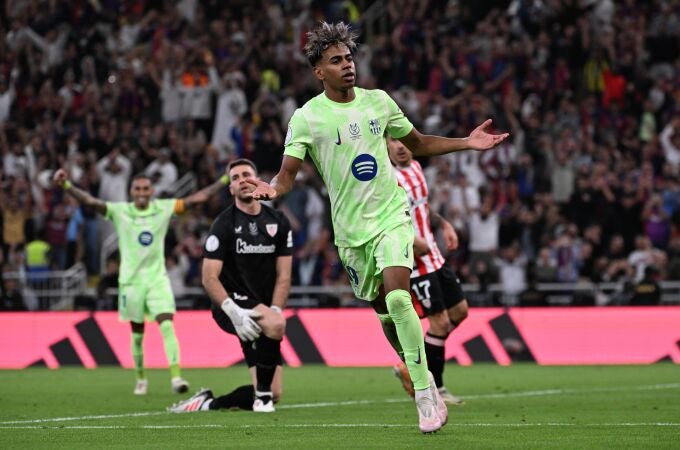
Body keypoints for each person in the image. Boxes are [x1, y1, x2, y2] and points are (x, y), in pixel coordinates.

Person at [246, 21, 508, 433]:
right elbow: (287, 176)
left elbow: (417, 142)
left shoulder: (379, 102)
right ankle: (411, 368)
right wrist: (272, 190)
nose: (347, 65)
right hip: (351, 235)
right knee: (385, 313)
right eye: (336, 60)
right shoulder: (307, 118)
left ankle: (426, 395)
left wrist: (466, 142)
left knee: (401, 301)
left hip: (391, 217)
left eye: (349, 57)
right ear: (319, 71)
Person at [52, 166, 231, 395]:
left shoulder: (163, 208)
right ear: (131, 191)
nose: (142, 192)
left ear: (152, 190)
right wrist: (67, 186)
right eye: (137, 188)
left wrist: (225, 178)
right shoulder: (120, 211)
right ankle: (140, 378)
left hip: (157, 279)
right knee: (137, 335)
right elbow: (90, 202)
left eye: (146, 188)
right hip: (131, 283)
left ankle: (176, 377)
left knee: (167, 325)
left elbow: (198, 198)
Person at [168, 159, 292, 413]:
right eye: (235, 178)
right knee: (275, 326)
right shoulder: (223, 225)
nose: (242, 180)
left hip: (263, 309)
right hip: (230, 304)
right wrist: (233, 311)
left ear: (259, 180)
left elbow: (284, 276)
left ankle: (209, 403)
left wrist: (276, 310)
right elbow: (209, 278)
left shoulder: (278, 221)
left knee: (276, 390)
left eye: (247, 174)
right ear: (231, 189)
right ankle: (263, 401)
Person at [388, 137, 468, 406]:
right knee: (440, 323)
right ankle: (437, 388)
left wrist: (444, 224)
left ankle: (411, 366)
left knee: (460, 312)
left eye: (403, 140)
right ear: (386, 146)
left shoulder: (417, 170)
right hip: (414, 261)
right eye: (392, 141)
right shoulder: (389, 180)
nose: (399, 146)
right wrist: (410, 240)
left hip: (434, 255)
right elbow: (385, 220)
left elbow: (422, 206)